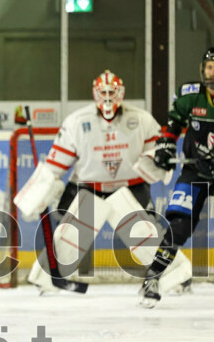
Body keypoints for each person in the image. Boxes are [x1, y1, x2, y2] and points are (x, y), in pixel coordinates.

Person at [13, 70, 191, 294]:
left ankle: (175, 276)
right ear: (95, 93)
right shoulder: (77, 122)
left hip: (130, 186)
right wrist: (37, 194)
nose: (107, 97)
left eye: (111, 91)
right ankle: (49, 280)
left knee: (145, 234)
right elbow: (54, 165)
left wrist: (157, 161)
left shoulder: (141, 119)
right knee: (68, 235)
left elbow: (160, 151)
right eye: (103, 92)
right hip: (88, 186)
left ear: (121, 92)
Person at [139, 47, 214, 308]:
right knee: (178, 225)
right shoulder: (189, 95)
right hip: (194, 172)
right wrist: (166, 145)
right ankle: (151, 279)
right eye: (210, 67)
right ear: (203, 69)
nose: (213, 72)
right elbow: (174, 124)